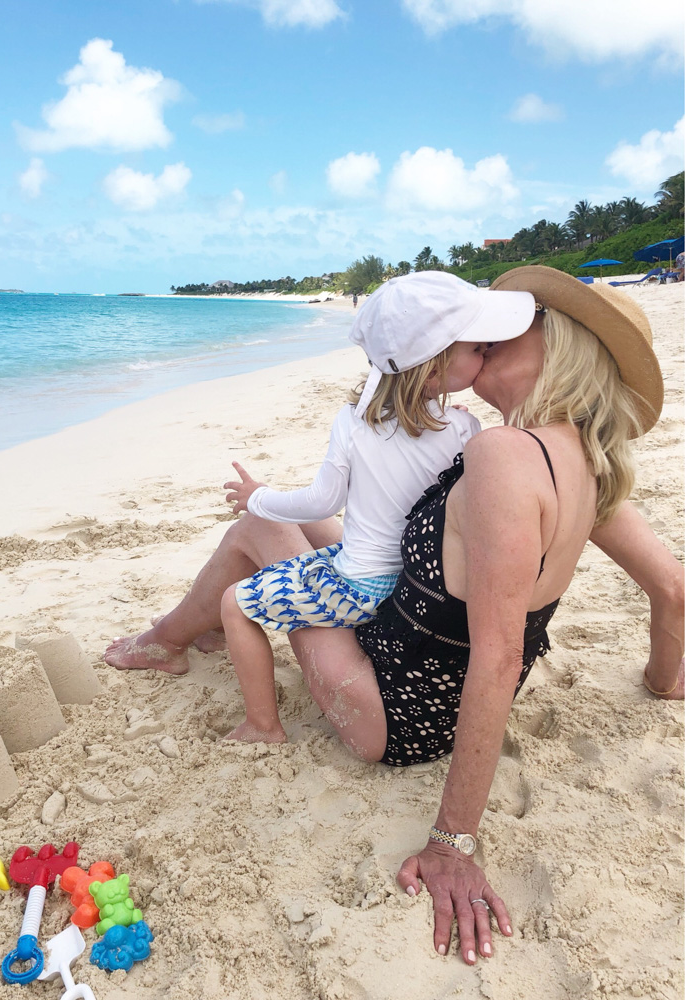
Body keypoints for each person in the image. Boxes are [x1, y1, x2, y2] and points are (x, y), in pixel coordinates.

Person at [104, 265, 683, 965]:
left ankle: (165, 641)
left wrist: (453, 842)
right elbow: (673, 591)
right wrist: (663, 679)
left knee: (252, 541)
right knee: (304, 541)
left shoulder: (501, 454)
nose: (490, 336)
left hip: (393, 712)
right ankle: (173, 636)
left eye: (517, 325)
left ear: (557, 345)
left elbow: (498, 658)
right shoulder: (584, 462)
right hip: (409, 645)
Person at [217, 272, 536, 743]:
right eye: (475, 348)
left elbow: (322, 501)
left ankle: (262, 724)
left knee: (235, 604)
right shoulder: (466, 431)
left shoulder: (352, 423)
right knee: (317, 555)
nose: (484, 352)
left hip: (360, 586)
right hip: (410, 585)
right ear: (432, 368)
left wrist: (256, 497)